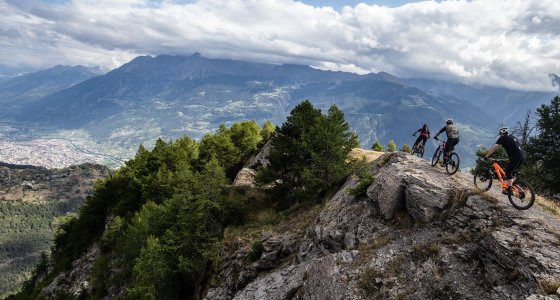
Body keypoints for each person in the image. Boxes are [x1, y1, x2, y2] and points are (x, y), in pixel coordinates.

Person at [484, 127, 526, 195]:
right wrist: (511, 157)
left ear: (501, 133)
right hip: (522, 156)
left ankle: (509, 190)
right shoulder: (512, 136)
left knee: (508, 172)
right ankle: (510, 185)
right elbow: (515, 147)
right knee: (513, 173)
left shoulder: (503, 138)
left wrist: (487, 155)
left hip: (516, 156)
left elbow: (494, 147)